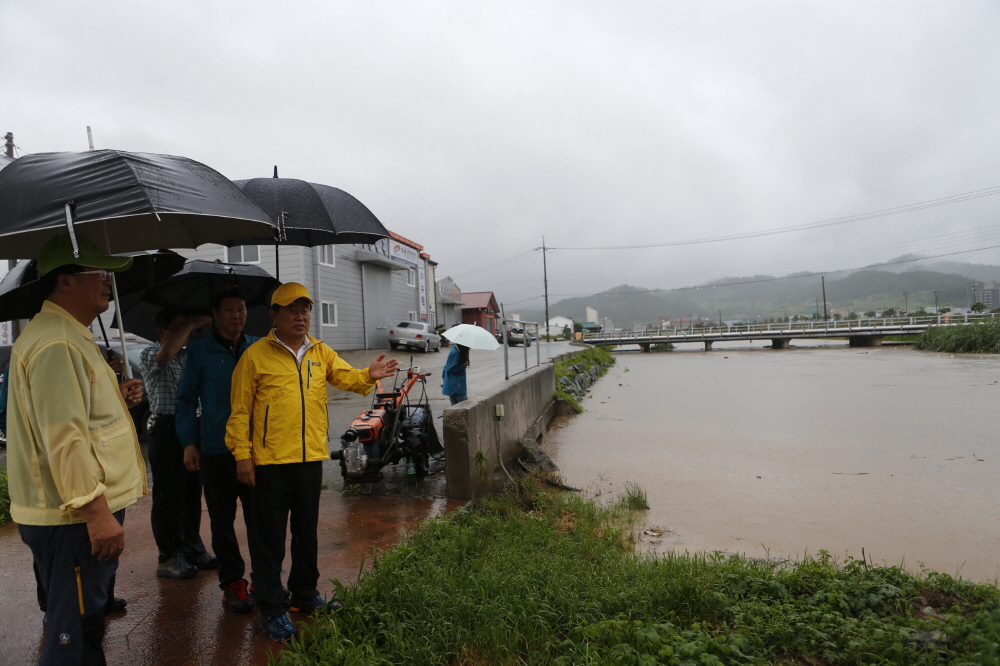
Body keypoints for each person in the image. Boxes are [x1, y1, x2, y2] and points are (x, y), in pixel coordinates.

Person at [226, 282, 398, 642]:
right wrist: (242, 455)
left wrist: (367, 375)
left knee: (306, 533)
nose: (300, 316)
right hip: (269, 462)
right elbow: (240, 411)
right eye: (291, 310)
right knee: (269, 540)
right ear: (273, 315)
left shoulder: (320, 351)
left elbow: (345, 377)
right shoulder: (255, 356)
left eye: (304, 309)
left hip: (309, 459)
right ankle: (272, 608)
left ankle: (304, 593)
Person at [7, 234, 146, 664]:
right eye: (99, 273)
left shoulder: (69, 335)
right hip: (72, 517)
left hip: (72, 515)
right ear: (65, 281)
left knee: (84, 623)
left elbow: (71, 417)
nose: (107, 281)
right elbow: (63, 438)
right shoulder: (57, 343)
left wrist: (115, 399)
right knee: (74, 636)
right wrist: (96, 513)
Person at [176, 290, 260, 613]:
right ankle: (232, 583)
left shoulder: (258, 346)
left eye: (241, 309)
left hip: (256, 449)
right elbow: (186, 399)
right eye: (228, 310)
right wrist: (189, 442)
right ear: (215, 314)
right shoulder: (199, 351)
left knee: (261, 519)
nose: (236, 315)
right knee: (222, 521)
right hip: (216, 447)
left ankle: (264, 579)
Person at [141, 307, 217, 579]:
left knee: (191, 493)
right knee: (168, 496)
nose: (186, 333)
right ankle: (168, 556)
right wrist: (192, 323)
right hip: (166, 427)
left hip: (192, 426)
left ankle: (192, 549)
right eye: (178, 328)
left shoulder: (188, 356)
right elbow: (164, 355)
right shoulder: (151, 353)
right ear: (161, 332)